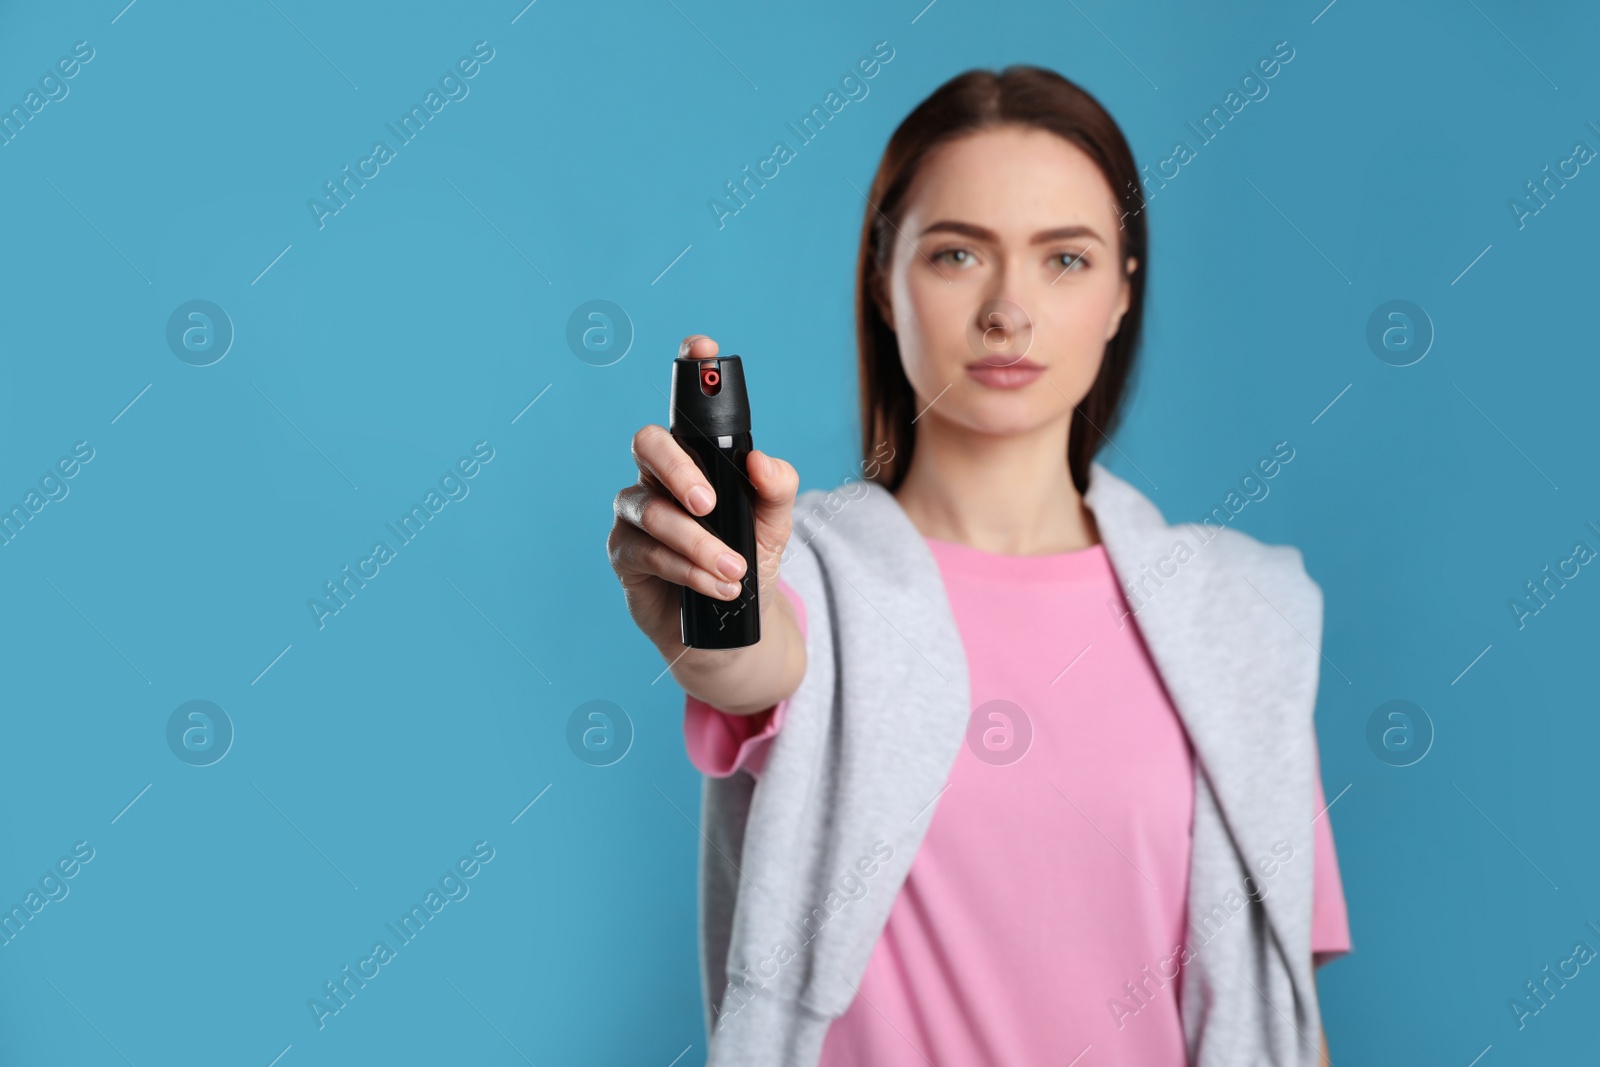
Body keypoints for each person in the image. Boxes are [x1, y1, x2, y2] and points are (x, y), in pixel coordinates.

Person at [608, 65, 1349, 1067]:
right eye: (958, 253)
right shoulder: (818, 580)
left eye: (1066, 259)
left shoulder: (1238, 614)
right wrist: (712, 604)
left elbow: (1287, 1020)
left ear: (1124, 290)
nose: (1009, 309)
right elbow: (753, 662)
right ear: (883, 277)